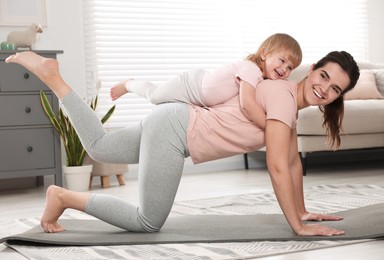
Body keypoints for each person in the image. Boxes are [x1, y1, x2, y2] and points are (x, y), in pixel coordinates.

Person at [5, 50, 359, 237]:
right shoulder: (283, 98)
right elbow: (279, 165)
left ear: (336, 98)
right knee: (147, 222)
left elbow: (293, 163)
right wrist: (297, 226)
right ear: (311, 69)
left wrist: (302, 210)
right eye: (324, 76)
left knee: (99, 146)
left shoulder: (286, 103)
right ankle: (65, 197)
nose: (324, 89)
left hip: (174, 120)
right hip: (175, 130)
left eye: (334, 89)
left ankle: (54, 77)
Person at [110, 33, 302, 129]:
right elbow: (248, 105)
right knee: (154, 95)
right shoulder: (251, 70)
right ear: (264, 53)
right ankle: (129, 83)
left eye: (290, 68)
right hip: (190, 86)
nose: (284, 69)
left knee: (167, 111)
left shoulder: (260, 78)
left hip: (198, 96)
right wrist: (273, 126)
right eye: (282, 60)